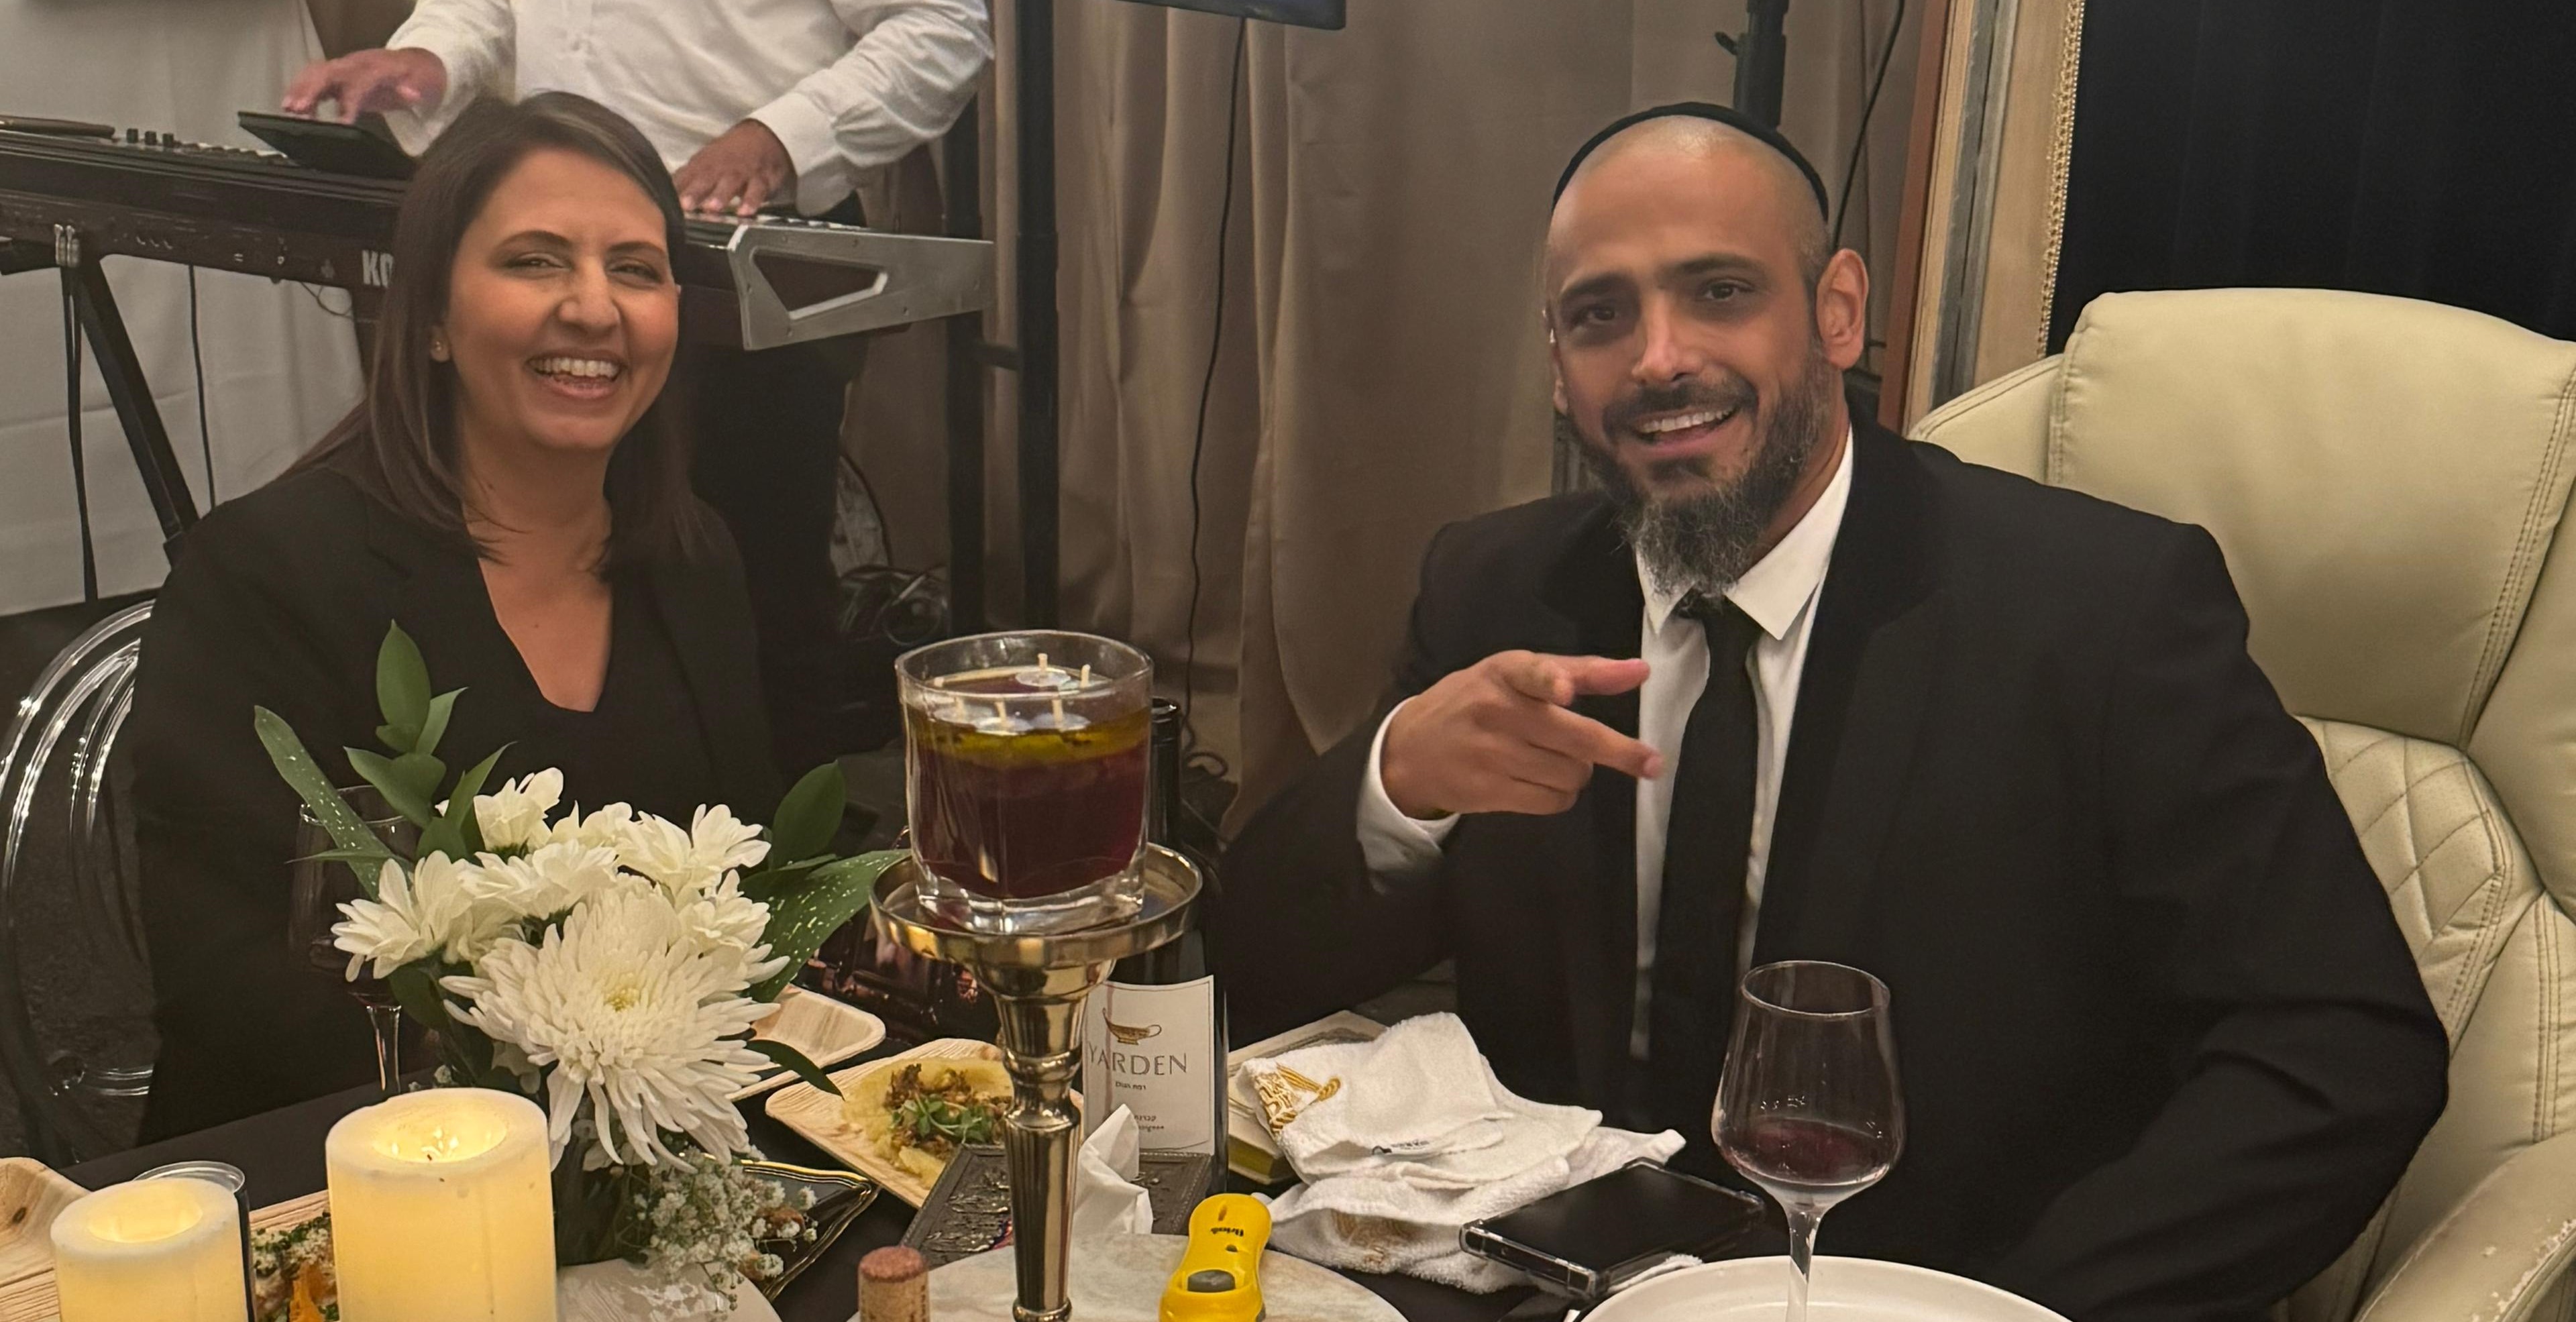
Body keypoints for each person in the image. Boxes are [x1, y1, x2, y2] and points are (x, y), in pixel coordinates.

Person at [1214, 103, 2448, 1321]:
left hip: (1941, 1292)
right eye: (1600, 315)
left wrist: (2020, 1313)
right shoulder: (1495, 588)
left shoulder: (2098, 615)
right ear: (1555, 362)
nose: (1658, 358)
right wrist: (1397, 783)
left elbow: (2344, 1046)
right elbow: (1244, 971)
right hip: (1553, 1285)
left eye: (1719, 292)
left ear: (1838, 311)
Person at [127, 93, 782, 1141]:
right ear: (431, 316)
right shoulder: (267, 572)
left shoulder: (694, 558)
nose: (594, 308)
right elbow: (231, 985)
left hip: (642, 1144)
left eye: (635, 268)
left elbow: (748, 891)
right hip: (336, 1162)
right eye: (534, 261)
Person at [281, 0, 994, 771]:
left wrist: (779, 138)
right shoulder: (266, 565)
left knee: (746, 600)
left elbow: (943, 26)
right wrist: (432, 55)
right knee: (510, 579)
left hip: (738, 232)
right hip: (540, 210)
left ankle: (760, 830)